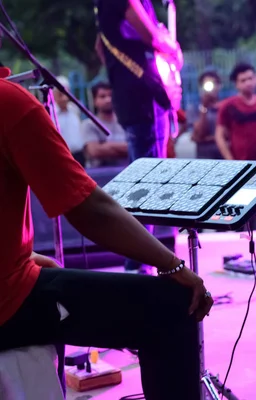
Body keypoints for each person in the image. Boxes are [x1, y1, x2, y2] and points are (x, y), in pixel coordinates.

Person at [0, 77, 213, 399]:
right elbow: (89, 210)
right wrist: (171, 264)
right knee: (171, 307)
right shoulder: (9, 103)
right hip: (6, 303)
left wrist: (20, 254)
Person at [95, 0, 182, 273]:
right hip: (145, 96)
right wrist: (172, 48)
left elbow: (100, 46)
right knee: (149, 184)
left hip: (128, 94)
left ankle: (136, 263)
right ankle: (139, 266)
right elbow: (151, 36)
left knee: (141, 179)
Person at [215, 63, 256, 163]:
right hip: (239, 163)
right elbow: (219, 135)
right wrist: (230, 160)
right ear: (236, 84)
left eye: (250, 78)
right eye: (243, 80)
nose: (248, 83)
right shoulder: (228, 106)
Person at [82, 82, 129, 168]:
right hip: (100, 175)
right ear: (94, 100)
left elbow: (133, 148)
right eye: (102, 96)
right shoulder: (89, 125)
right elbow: (94, 151)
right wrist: (124, 148)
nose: (108, 99)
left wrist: (108, 145)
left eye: (111, 95)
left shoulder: (126, 121)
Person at [53, 76, 85, 166]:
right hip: (63, 157)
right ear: (53, 94)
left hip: (79, 155)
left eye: (66, 93)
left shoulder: (74, 109)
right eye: (60, 94)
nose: (64, 98)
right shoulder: (50, 113)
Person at [192, 70, 223, 159]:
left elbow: (230, 134)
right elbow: (200, 134)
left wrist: (207, 138)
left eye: (214, 84)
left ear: (219, 86)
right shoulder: (194, 107)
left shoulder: (226, 106)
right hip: (204, 157)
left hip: (224, 155)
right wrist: (204, 108)